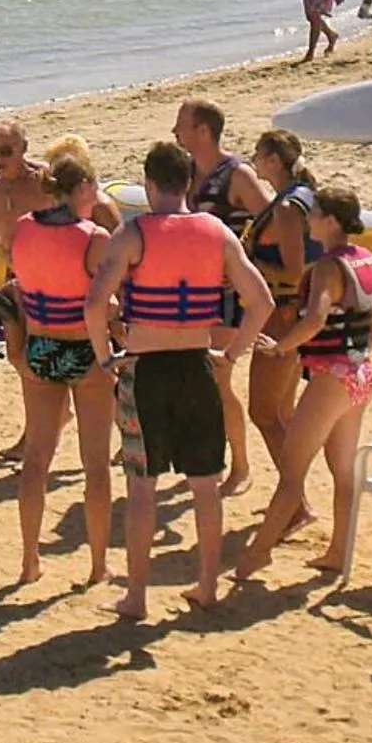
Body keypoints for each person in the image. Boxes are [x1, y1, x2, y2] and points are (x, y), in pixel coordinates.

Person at [85, 141, 274, 616]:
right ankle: (207, 586)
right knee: (205, 486)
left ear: (149, 185)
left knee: (142, 488)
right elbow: (262, 302)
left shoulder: (134, 234)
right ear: (189, 183)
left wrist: (106, 357)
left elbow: (94, 303)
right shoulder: (216, 232)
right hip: (197, 365)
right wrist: (230, 354)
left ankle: (137, 596)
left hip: (146, 369)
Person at [235, 184, 372, 582]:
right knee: (342, 470)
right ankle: (339, 551)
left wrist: (280, 347)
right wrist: (364, 345)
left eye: (314, 214)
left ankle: (257, 555)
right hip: (360, 375)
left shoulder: (327, 267)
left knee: (293, 471)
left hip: (331, 378)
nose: (308, 220)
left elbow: (314, 320)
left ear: (329, 220)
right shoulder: (366, 259)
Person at [8, 154, 117, 586]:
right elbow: (103, 302)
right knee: (95, 465)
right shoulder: (95, 237)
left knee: (36, 459)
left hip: (41, 347)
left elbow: (22, 284)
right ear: (82, 189)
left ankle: (29, 560)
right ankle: (97, 565)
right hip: (85, 352)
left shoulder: (22, 226)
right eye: (94, 186)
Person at [172, 97, 271, 496]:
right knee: (198, 379)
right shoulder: (186, 173)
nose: (174, 132)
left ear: (203, 131)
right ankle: (209, 459)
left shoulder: (237, 175)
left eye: (181, 125)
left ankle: (240, 466)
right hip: (194, 291)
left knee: (218, 378)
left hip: (226, 295)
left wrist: (245, 265)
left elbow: (272, 219)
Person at [240, 129, 316, 477]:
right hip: (297, 313)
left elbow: (295, 273)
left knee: (264, 413)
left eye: (258, 154)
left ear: (273, 160)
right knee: (283, 413)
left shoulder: (287, 207)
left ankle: (295, 500)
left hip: (283, 314)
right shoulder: (302, 196)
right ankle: (294, 498)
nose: (253, 159)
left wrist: (248, 263)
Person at [0, 117, 46, 463]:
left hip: (54, 282)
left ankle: (120, 428)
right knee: (18, 358)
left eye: (6, 151)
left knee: (75, 362)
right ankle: (37, 430)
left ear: (24, 149)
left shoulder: (48, 181)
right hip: (17, 283)